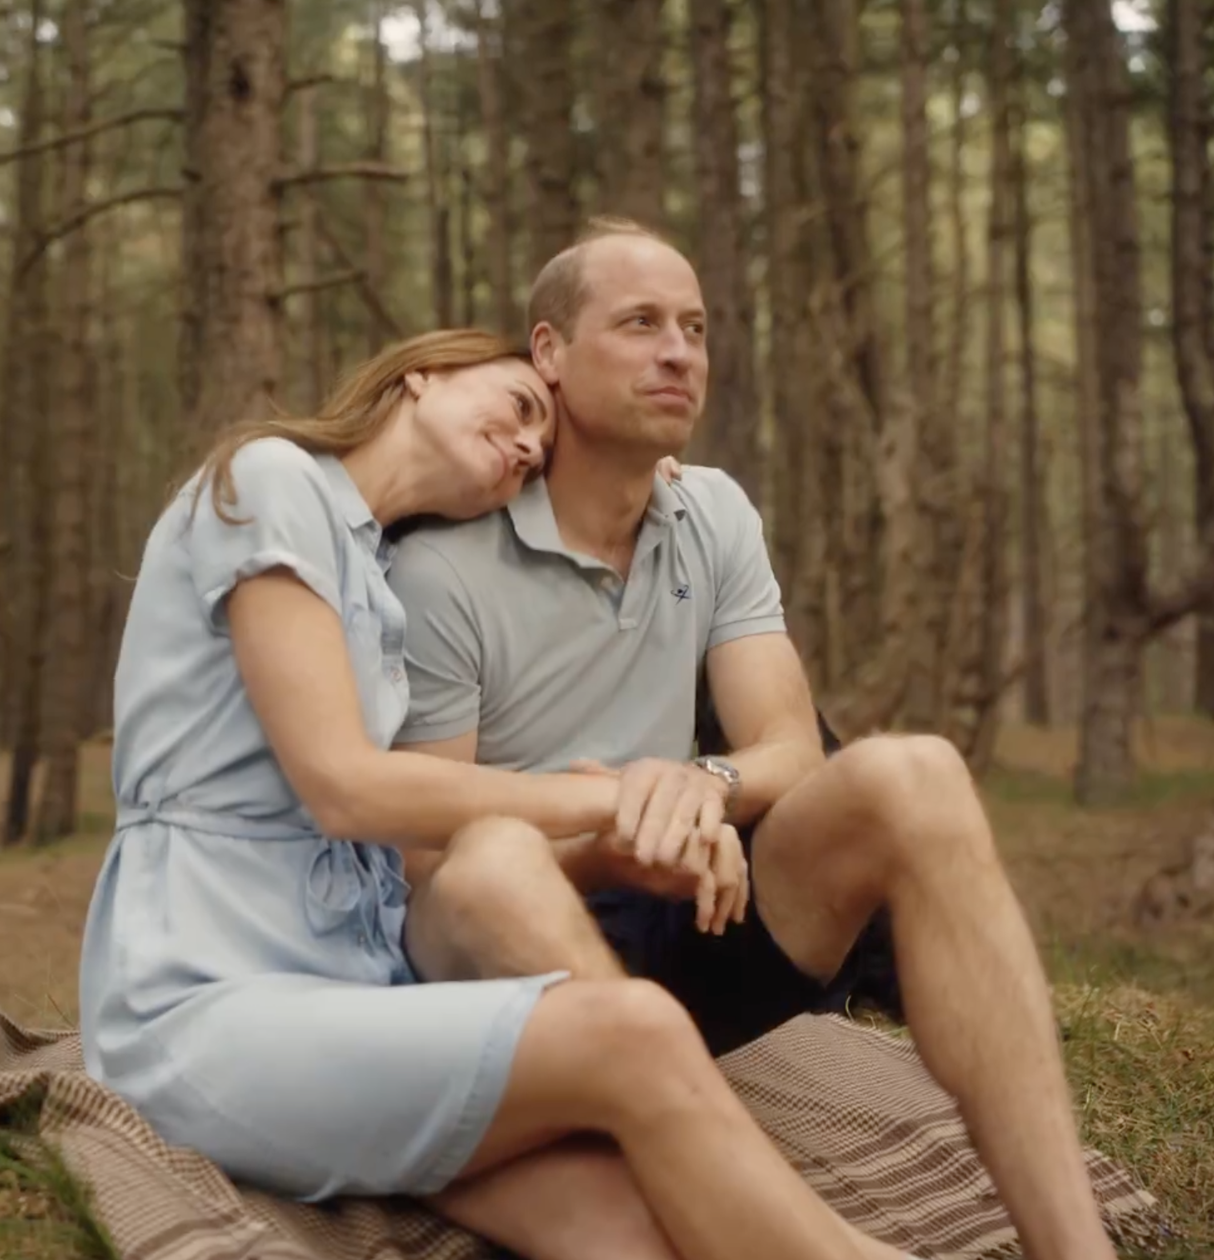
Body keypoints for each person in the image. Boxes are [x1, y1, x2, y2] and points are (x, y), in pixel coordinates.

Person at [80, 328, 930, 1259]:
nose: (530, 445)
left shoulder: (380, 572)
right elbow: (343, 787)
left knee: (631, 1226)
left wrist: (645, 475)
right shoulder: (275, 480)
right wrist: (621, 800)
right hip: (210, 997)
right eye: (520, 406)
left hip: (368, 994)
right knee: (632, 1030)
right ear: (421, 374)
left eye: (539, 450)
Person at [385, 218, 1121, 1260]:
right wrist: (612, 828)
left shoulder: (715, 511)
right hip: (508, 973)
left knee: (914, 772)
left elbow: (786, 746)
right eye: (640, 324)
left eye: (694, 327)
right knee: (489, 865)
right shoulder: (445, 565)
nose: (679, 351)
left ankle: (1074, 1246)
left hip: (690, 910)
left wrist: (696, 786)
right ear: (548, 353)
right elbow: (421, 861)